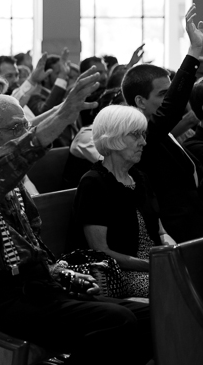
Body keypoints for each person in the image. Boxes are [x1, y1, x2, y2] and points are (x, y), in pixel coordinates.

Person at [0, 71, 153, 365]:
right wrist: (62, 115)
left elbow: (30, 244)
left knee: (150, 317)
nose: (24, 133)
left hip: (35, 288)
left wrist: (63, 274)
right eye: (16, 128)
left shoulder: (14, 185)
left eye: (25, 126)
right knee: (116, 322)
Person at [122, 3, 203, 243]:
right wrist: (194, 51)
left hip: (195, 225)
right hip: (176, 234)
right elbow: (173, 108)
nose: (169, 99)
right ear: (140, 101)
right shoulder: (138, 134)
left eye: (170, 93)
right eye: (163, 94)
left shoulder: (160, 131)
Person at [74, 105, 175, 298]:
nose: (143, 142)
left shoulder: (140, 177)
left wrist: (173, 250)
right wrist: (152, 264)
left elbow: (161, 231)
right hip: (122, 272)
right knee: (172, 287)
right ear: (113, 139)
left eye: (143, 135)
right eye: (135, 135)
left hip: (153, 264)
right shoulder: (94, 183)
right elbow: (100, 251)